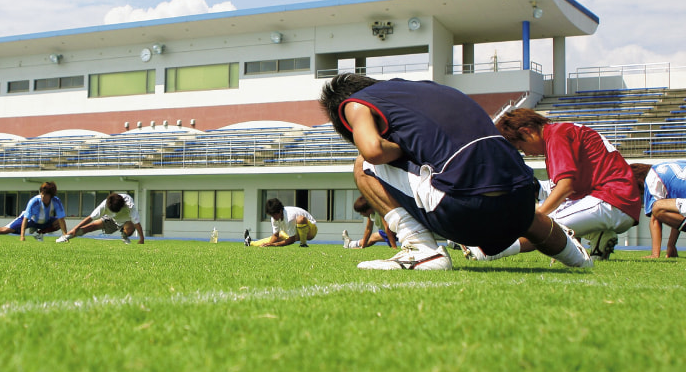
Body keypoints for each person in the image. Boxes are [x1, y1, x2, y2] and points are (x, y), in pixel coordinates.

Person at [318, 74, 593, 270]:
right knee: (516, 206)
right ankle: (578, 258)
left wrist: (402, 148)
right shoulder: (430, 89)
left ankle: (421, 250)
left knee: (363, 165)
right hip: (520, 201)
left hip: (464, 213)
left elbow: (373, 151)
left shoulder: (354, 102)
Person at [471, 109, 641, 262]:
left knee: (543, 224)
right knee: (543, 215)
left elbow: (565, 187)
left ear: (526, 131)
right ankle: (599, 236)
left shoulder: (556, 135)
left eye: (521, 147)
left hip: (613, 199)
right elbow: (567, 189)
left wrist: (537, 218)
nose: (527, 153)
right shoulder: (559, 132)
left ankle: (492, 251)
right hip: (613, 199)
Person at [0, 181, 68, 241]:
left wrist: (65, 236)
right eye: (41, 194)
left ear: (51, 196)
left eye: (45, 195)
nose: (42, 196)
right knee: (5, 230)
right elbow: (25, 219)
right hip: (30, 220)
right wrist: (22, 236)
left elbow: (61, 219)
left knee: (58, 223)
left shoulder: (56, 201)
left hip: (44, 221)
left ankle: (39, 233)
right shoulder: (34, 201)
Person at [630, 162, 685, 259]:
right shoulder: (664, 168)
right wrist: (671, 245)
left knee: (657, 207)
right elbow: (677, 217)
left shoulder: (651, 179)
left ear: (639, 181)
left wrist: (655, 254)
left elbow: (655, 217)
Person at [57, 192, 144, 244]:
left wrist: (142, 239)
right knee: (90, 227)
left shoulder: (129, 204)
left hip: (126, 221)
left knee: (131, 228)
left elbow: (137, 223)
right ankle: (65, 237)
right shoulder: (104, 205)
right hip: (109, 220)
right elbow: (90, 218)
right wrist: (75, 228)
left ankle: (124, 235)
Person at [245, 198, 318, 247]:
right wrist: (269, 244)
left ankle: (303, 244)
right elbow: (275, 236)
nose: (273, 218)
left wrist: (275, 245)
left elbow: (292, 240)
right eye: (271, 215)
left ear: (280, 211)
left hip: (310, 232)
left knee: (300, 219)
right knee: (279, 235)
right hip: (295, 233)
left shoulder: (290, 217)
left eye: (274, 215)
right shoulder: (274, 218)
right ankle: (250, 243)